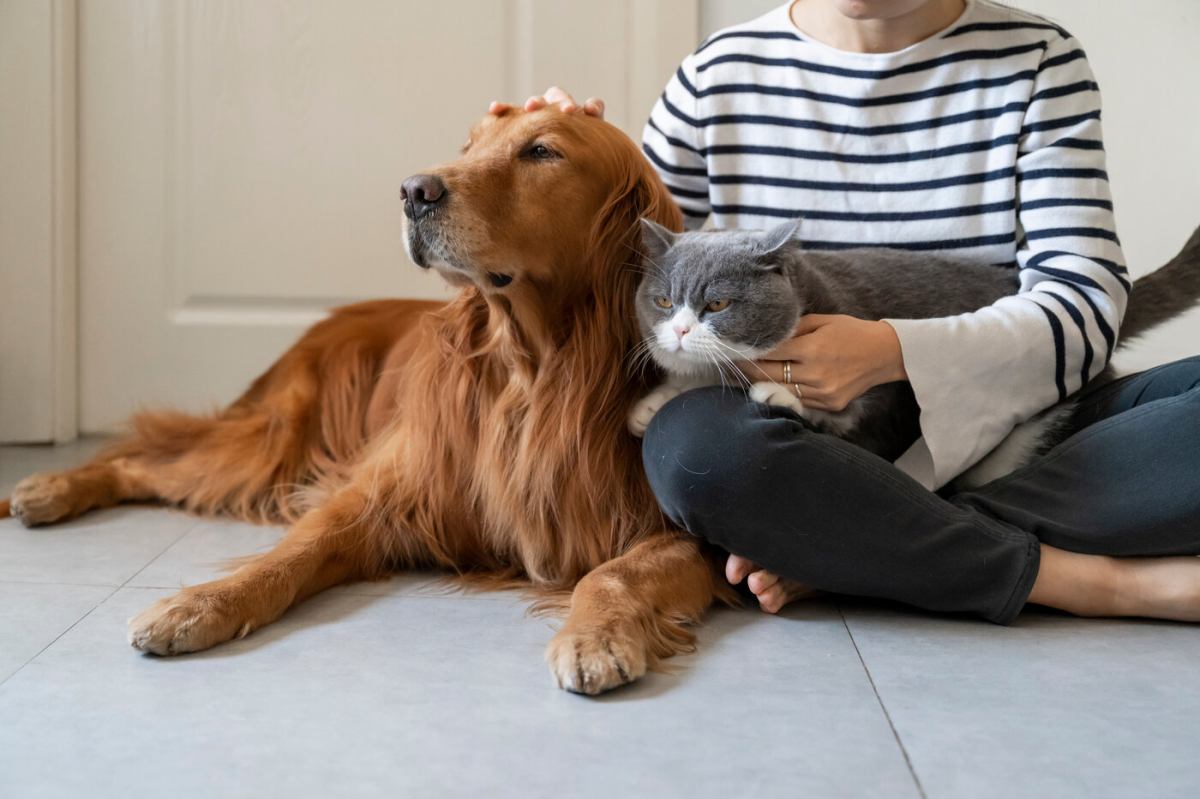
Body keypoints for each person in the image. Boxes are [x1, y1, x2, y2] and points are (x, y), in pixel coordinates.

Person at [489, 0, 1200, 623]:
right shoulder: (718, 75)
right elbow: (631, 267)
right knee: (694, 451)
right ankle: (1090, 582)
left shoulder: (1039, 61)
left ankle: (859, 545)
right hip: (803, 447)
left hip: (1018, 424)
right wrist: (554, 159)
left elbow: (1084, 304)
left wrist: (893, 351)